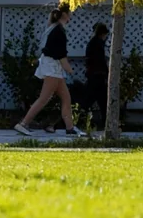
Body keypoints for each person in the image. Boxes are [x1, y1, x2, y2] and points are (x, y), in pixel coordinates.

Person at [14, 8, 86, 137]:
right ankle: (23, 124)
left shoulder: (54, 28)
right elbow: (60, 54)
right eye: (69, 13)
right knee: (44, 98)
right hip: (52, 67)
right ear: (64, 15)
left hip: (53, 67)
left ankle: (70, 127)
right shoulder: (58, 31)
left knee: (66, 98)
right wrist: (69, 69)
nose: (70, 16)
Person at [82, 23, 110, 130]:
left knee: (90, 100)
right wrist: (107, 73)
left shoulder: (92, 43)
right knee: (101, 101)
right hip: (98, 76)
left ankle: (82, 119)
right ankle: (105, 124)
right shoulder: (98, 44)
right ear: (102, 33)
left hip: (92, 75)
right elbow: (101, 61)